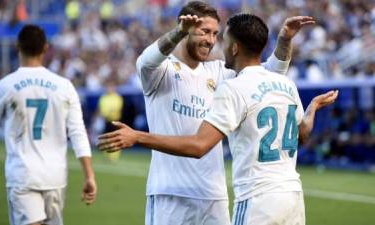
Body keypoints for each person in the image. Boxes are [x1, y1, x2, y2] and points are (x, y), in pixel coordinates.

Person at [98, 13, 338, 225]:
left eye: (216, 34)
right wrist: (177, 33)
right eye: (204, 32)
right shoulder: (162, 71)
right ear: (184, 30)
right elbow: (147, 60)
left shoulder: (220, 73)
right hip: (170, 192)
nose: (212, 40)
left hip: (215, 196)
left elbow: (265, 74)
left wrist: (284, 40)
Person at [0, 25, 97, 225]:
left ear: (17, 46)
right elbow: (77, 132)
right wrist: (89, 175)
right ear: (45, 48)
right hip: (55, 177)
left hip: (23, 174)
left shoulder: (4, 86)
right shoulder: (64, 86)